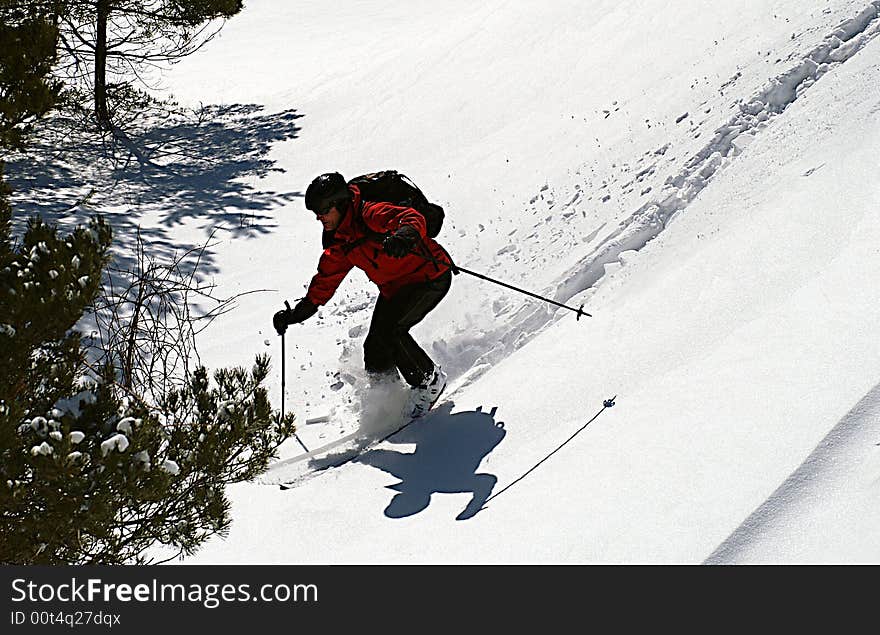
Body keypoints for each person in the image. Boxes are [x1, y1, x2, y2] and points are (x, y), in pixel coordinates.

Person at [273, 172, 453, 418]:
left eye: (323, 211)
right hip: (395, 289)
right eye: (316, 212)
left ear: (339, 204)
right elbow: (325, 281)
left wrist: (404, 236)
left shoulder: (370, 214)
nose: (319, 217)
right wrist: (296, 314)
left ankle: (428, 382)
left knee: (393, 332)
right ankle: (388, 398)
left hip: (429, 277)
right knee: (376, 347)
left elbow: (411, 218)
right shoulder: (341, 242)